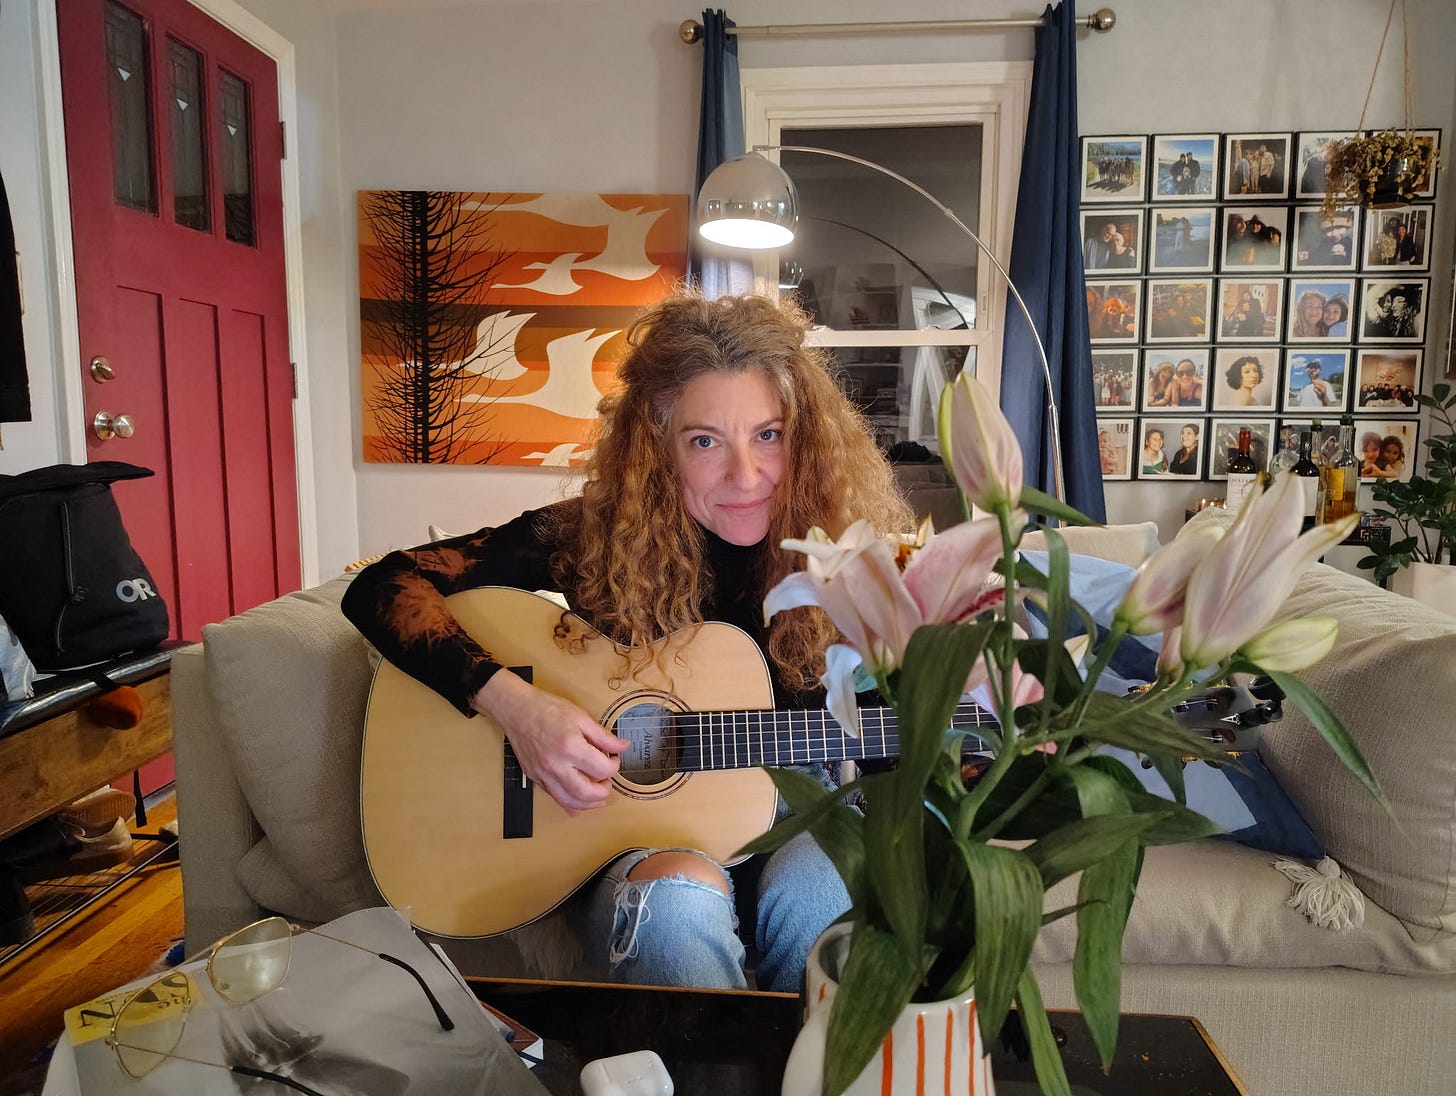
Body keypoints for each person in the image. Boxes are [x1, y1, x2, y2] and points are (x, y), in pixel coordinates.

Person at [341, 292, 915, 994]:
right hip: (626, 839)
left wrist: (974, 737)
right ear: (656, 444)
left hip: (796, 820)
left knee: (824, 896)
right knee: (676, 907)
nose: (746, 474)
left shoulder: (845, 557)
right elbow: (384, 586)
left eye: (769, 434)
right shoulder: (592, 536)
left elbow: (890, 746)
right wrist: (521, 712)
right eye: (705, 441)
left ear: (808, 436)